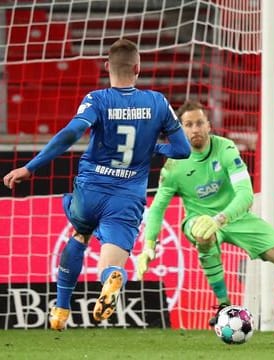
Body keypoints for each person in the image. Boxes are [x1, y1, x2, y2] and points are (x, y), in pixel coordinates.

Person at [3, 39, 191, 331]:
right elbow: (183, 150)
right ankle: (112, 278)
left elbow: (71, 133)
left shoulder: (98, 99)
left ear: (107, 67)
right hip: (127, 197)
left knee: (80, 232)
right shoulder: (157, 101)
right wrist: (154, 148)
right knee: (110, 266)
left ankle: (61, 309)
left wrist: (31, 167)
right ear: (138, 68)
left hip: (90, 190)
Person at [136, 100, 274, 333]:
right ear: (180, 129)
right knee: (202, 232)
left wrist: (219, 219)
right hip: (198, 219)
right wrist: (149, 245)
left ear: (208, 125)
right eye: (188, 124)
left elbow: (246, 195)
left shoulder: (226, 149)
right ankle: (223, 306)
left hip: (235, 217)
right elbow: (157, 207)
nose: (195, 129)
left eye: (199, 123)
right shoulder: (174, 165)